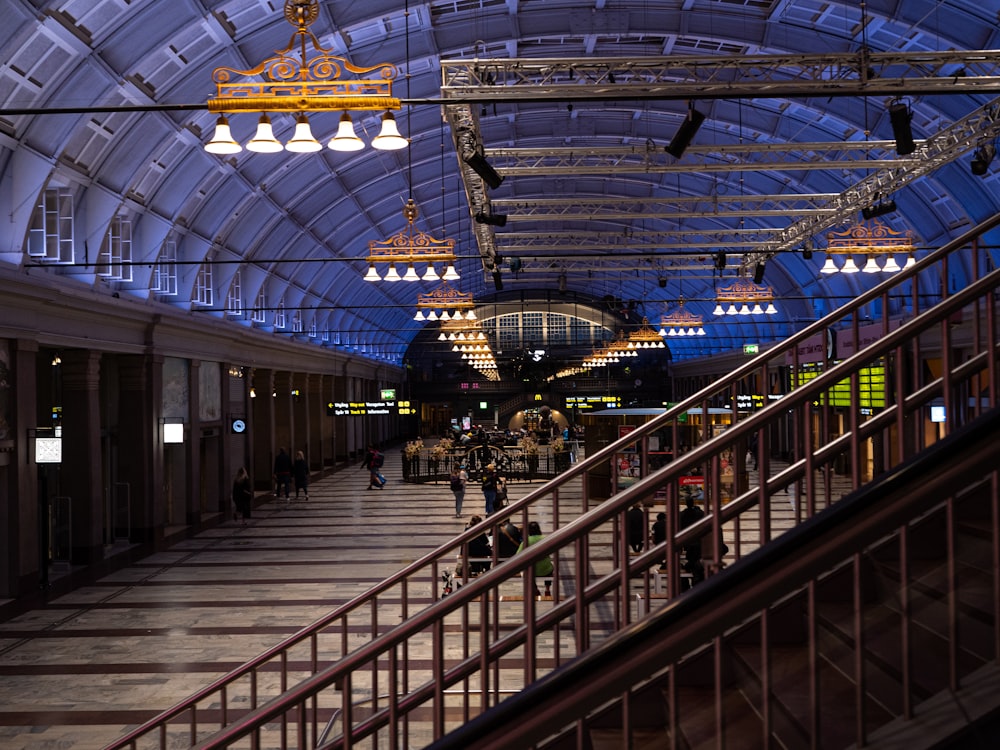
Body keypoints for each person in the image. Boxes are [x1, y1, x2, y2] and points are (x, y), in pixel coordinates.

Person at [516, 521, 554, 597]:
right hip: (546, 569)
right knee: (551, 567)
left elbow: (517, 555)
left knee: (528, 570)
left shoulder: (526, 541)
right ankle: (547, 589)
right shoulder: (544, 539)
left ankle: (535, 589)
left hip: (532, 570)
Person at [679, 494, 706, 586]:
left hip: (688, 540)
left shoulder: (682, 514)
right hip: (698, 540)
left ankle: (695, 579)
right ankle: (697, 579)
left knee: (692, 560)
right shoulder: (700, 513)